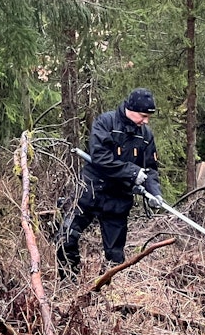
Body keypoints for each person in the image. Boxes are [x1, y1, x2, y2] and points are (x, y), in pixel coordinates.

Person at [54, 87, 165, 279]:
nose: (145, 121)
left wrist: (155, 192)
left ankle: (111, 291)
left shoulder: (145, 135)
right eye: (143, 115)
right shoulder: (105, 123)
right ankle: (68, 283)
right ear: (130, 109)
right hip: (90, 191)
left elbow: (151, 169)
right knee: (66, 236)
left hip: (118, 198)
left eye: (148, 117)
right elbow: (100, 157)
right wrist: (132, 171)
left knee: (115, 255)